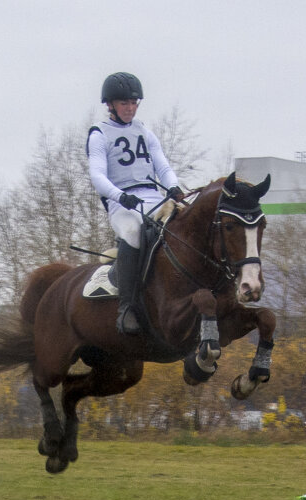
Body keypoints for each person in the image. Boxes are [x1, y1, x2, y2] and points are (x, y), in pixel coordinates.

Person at [86, 71, 183, 335]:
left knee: (184, 225)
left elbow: (162, 165)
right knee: (133, 232)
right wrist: (119, 196)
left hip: (153, 196)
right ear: (111, 105)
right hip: (123, 202)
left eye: (133, 103)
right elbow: (97, 176)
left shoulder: (145, 131)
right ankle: (126, 307)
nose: (130, 108)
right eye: (124, 103)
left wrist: (173, 186)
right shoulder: (99, 134)